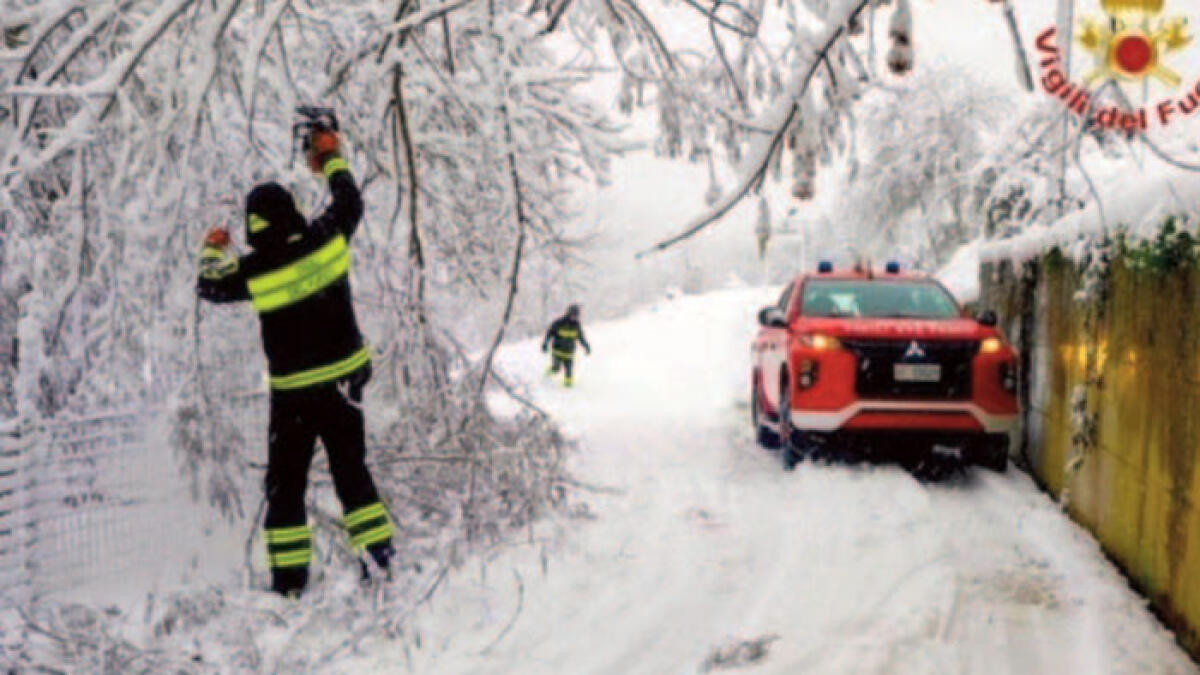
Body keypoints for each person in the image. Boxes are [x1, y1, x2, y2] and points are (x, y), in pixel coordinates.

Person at [195, 120, 394, 597]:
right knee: (352, 475)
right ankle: (379, 562)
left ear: (253, 226)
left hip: (293, 400)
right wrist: (329, 158)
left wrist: (213, 248)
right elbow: (350, 202)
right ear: (293, 211)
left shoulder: (255, 270)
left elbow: (209, 286)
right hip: (343, 387)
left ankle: (288, 585)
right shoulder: (326, 239)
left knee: (286, 488)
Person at [541, 304, 591, 387]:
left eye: (576, 315)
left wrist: (586, 347)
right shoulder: (559, 323)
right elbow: (549, 333)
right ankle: (546, 376)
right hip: (557, 351)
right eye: (573, 315)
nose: (574, 317)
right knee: (556, 368)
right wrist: (545, 343)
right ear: (568, 313)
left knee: (569, 373)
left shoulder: (577, 326)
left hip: (569, 353)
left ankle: (567, 388)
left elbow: (581, 338)